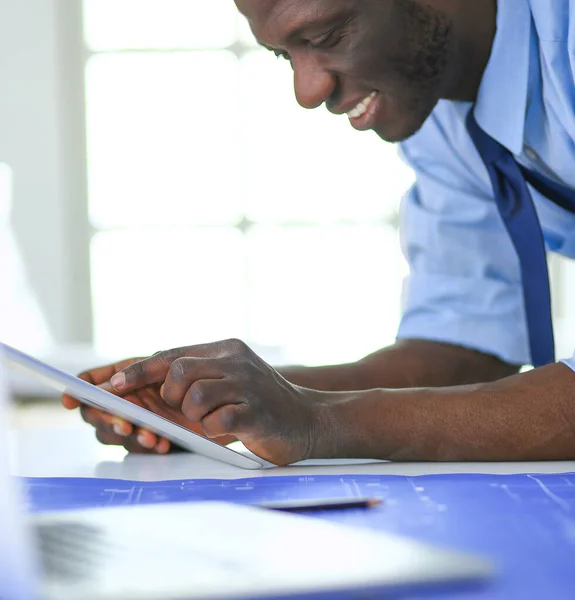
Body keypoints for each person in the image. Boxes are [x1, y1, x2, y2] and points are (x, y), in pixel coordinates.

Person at [63, 0, 575, 465]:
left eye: (327, 37)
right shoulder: (442, 119)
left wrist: (321, 422)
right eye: (285, 56)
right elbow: (462, 349)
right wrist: (224, 403)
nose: (306, 92)